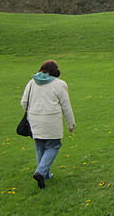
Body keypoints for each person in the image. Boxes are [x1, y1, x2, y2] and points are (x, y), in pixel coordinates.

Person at [21, 60, 75, 189]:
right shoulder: (59, 84)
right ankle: (41, 172)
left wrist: (32, 114)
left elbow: (24, 102)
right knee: (53, 146)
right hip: (51, 120)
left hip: (34, 119)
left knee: (40, 146)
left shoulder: (31, 82)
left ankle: (45, 174)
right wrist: (71, 123)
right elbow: (66, 106)